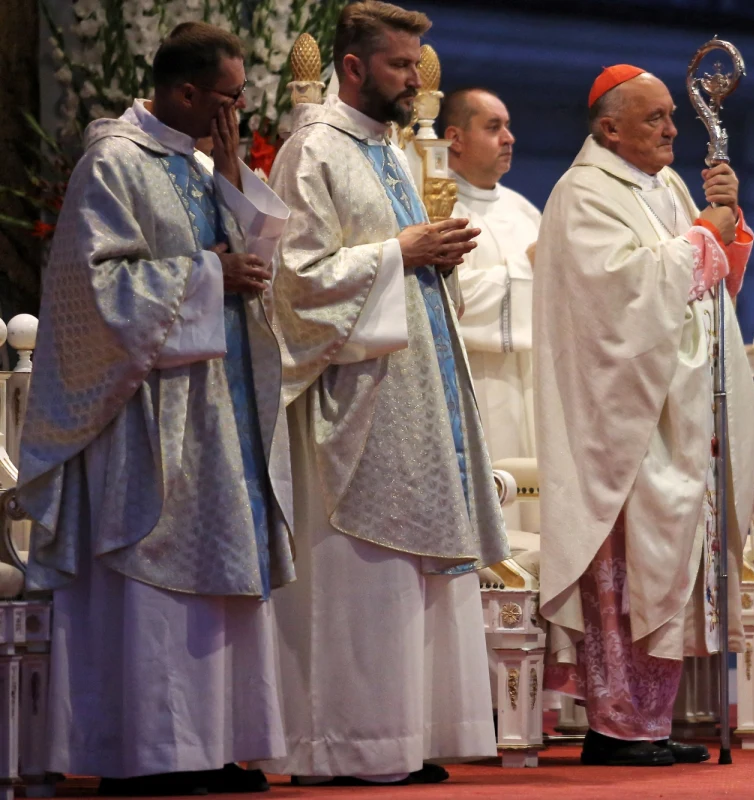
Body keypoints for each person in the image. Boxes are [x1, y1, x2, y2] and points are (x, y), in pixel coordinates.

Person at [15, 22, 293, 796]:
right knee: (154, 592)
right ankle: (146, 757)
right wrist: (207, 274)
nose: (236, 115)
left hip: (214, 409)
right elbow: (90, 291)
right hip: (143, 415)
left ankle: (214, 746)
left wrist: (233, 169)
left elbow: (259, 262)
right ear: (184, 92)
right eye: (229, 101)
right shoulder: (113, 163)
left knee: (216, 585)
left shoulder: (199, 163)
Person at [262, 1, 508, 785]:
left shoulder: (394, 153)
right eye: (401, 66)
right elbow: (293, 281)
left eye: (416, 63)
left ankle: (404, 739)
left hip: (414, 394)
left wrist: (433, 257)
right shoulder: (313, 151)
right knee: (359, 575)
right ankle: (342, 747)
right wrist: (403, 250)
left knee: (411, 577)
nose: (416, 80)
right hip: (353, 396)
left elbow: (393, 258)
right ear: (356, 67)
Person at [535, 64, 754, 767]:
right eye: (656, 118)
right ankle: (615, 729)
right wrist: (701, 235)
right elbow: (620, 297)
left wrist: (727, 228)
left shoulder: (661, 184)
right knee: (626, 569)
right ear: (609, 128)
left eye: (672, 117)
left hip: (674, 410)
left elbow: (699, 286)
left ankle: (652, 726)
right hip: (620, 422)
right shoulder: (583, 194)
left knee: (666, 564)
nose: (671, 130)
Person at [440, 87, 541, 533]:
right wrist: (526, 268)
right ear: (455, 138)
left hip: (532, 387)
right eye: (493, 127)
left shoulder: (524, 211)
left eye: (508, 126)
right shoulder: (439, 208)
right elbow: (447, 298)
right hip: (477, 385)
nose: (509, 138)